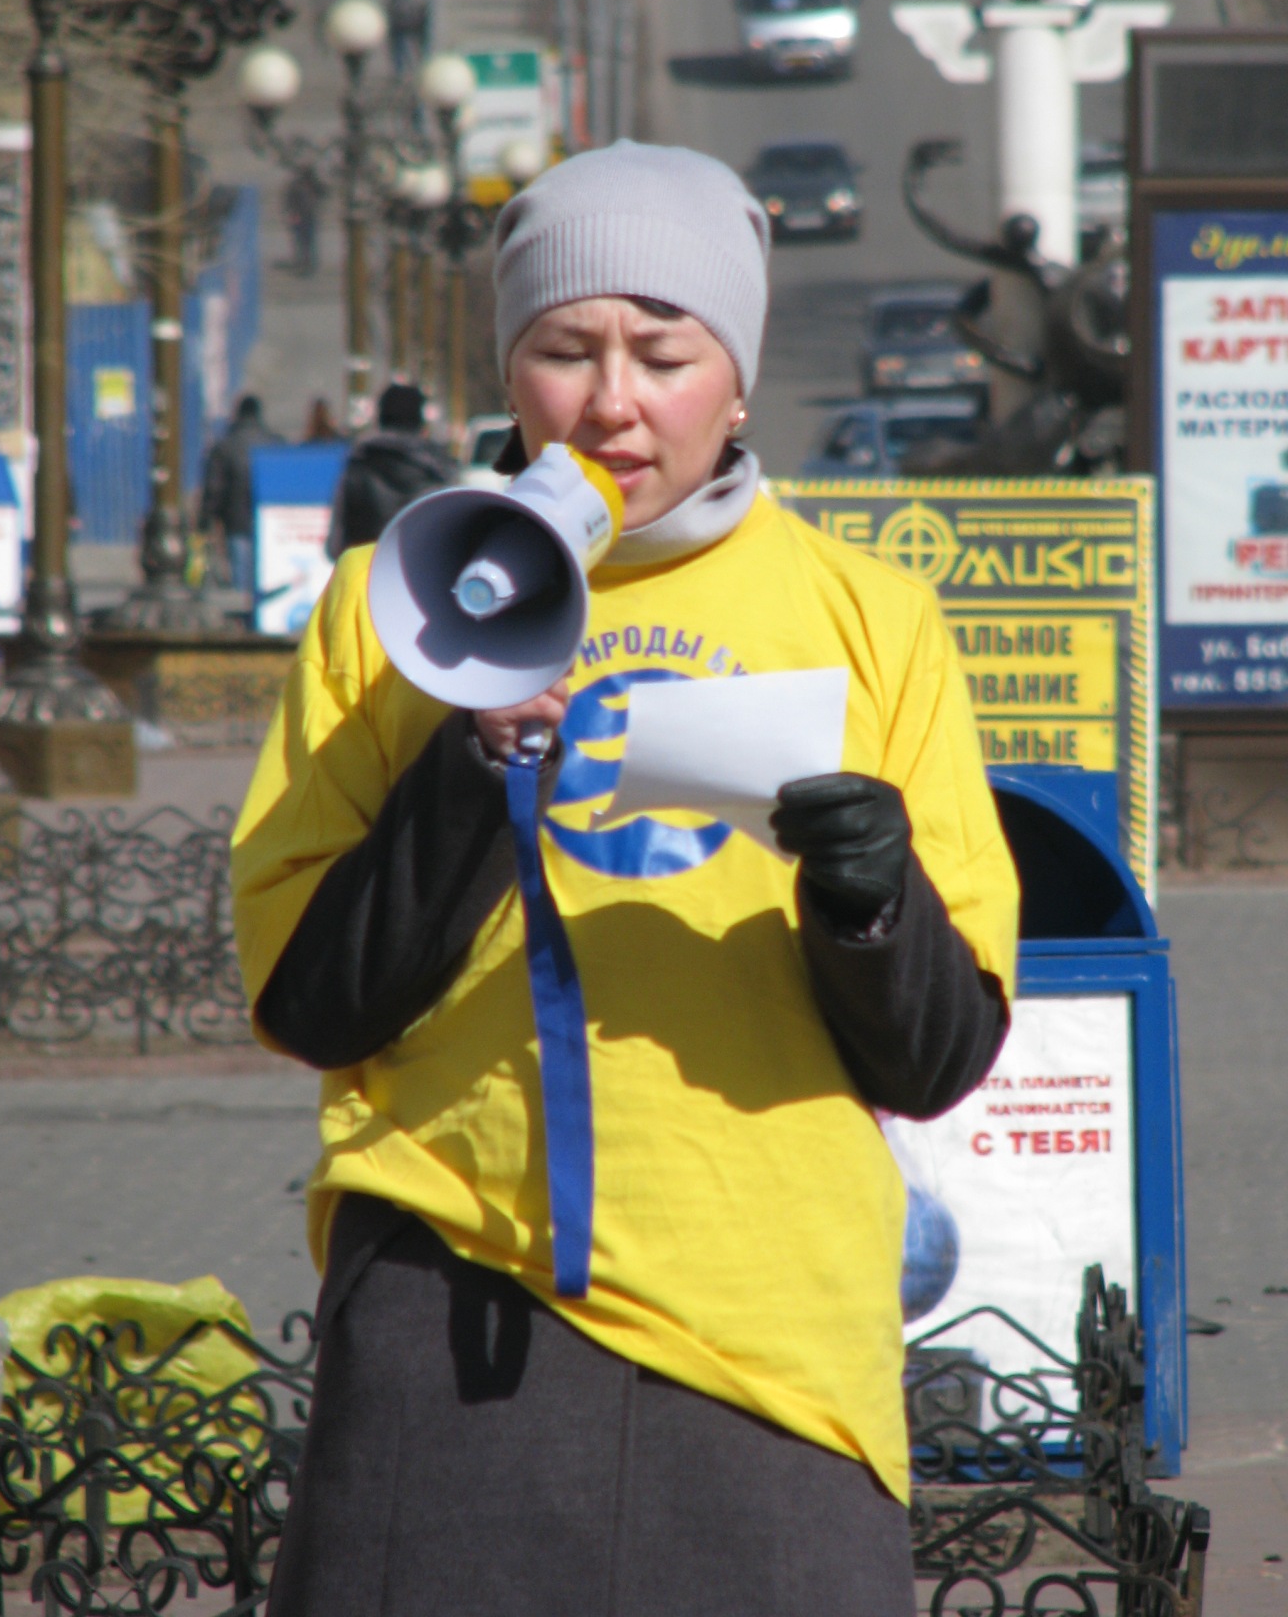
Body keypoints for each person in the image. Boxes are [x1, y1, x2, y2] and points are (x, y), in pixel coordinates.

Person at [231, 141, 1018, 1616]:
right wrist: (468, 765)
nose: (610, 403)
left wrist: (870, 900)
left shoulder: (872, 618)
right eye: (562, 350)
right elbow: (311, 1000)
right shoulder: (382, 608)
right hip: (459, 1296)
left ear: (739, 383)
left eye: (663, 354)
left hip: (771, 1335)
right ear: (507, 374)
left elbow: (936, 1057)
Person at [324, 380, 455, 556]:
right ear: (419, 420)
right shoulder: (440, 472)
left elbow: (334, 546)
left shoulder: (357, 468)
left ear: (381, 418)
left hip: (366, 570)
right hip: (422, 571)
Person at [199, 392, 281, 599]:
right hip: (269, 522)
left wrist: (206, 517)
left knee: (240, 580)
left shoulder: (226, 446)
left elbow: (214, 487)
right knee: (266, 575)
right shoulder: (274, 443)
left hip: (236, 522)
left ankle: (242, 613)